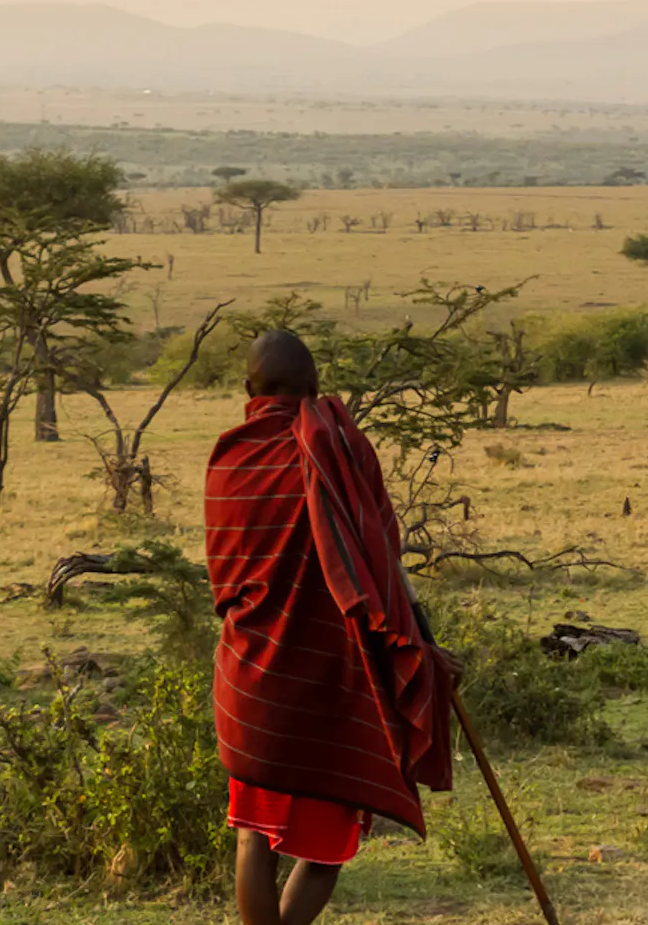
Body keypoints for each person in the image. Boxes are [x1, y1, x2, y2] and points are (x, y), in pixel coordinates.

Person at [205, 331, 454, 925]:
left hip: (252, 676)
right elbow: (377, 561)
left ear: (247, 390)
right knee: (328, 846)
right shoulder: (340, 447)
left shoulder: (229, 457)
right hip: (329, 676)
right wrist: (421, 645)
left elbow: (225, 576)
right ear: (316, 390)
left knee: (251, 836)